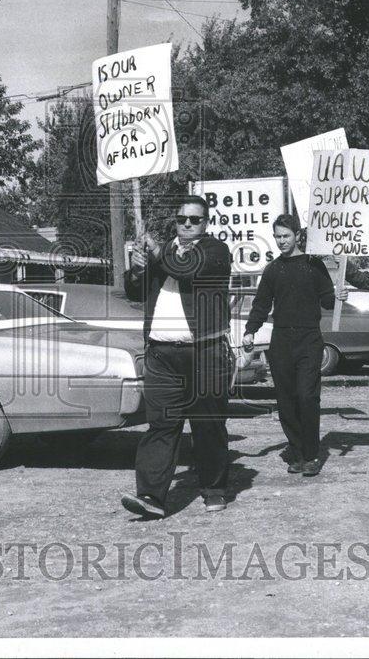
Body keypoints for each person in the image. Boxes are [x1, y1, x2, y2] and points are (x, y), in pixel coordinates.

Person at [120, 195, 233, 519]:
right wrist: (137, 270)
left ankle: (214, 488)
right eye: (181, 218)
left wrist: (156, 254)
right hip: (162, 354)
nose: (186, 224)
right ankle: (151, 496)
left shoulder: (214, 251)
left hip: (205, 352)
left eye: (194, 219)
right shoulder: (165, 252)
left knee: (208, 425)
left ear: (205, 223)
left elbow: (188, 271)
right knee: (161, 425)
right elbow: (134, 293)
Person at [241, 214, 348, 477]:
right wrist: (250, 331)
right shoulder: (273, 269)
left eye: (286, 236)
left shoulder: (314, 265)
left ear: (297, 235)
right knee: (286, 399)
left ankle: (312, 455)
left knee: (307, 395)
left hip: (309, 339)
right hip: (281, 341)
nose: (281, 241)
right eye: (277, 236)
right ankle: (297, 452)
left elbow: (327, 301)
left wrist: (339, 296)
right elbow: (262, 304)